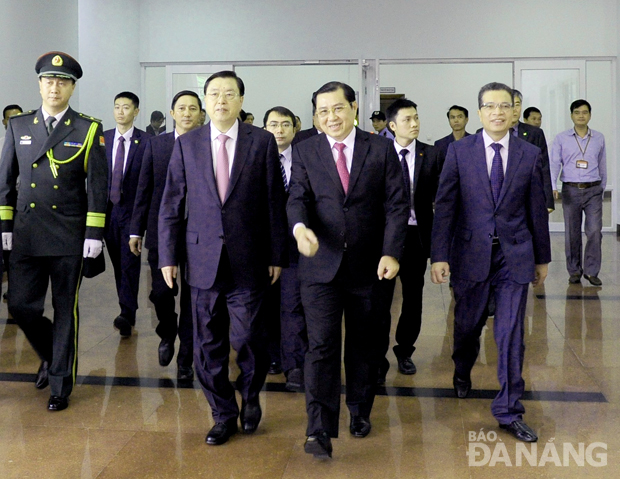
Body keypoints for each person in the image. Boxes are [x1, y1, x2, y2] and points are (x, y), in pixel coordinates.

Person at [158, 71, 288, 446]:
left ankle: (250, 395)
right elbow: (171, 204)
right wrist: (168, 256)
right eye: (213, 94)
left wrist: (277, 252)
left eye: (229, 94)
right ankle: (222, 413)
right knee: (206, 346)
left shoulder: (260, 141)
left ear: (241, 101)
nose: (221, 100)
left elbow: (272, 201)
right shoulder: (187, 143)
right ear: (205, 102)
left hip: (250, 259)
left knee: (249, 338)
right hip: (202, 261)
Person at [287, 81, 408, 458]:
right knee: (321, 345)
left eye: (337, 109)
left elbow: (396, 205)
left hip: (369, 266)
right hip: (319, 265)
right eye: (322, 111)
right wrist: (300, 228)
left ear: (354, 108)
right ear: (315, 117)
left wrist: (391, 252)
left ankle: (359, 409)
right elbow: (297, 198)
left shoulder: (381, 148)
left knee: (364, 345)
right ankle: (318, 430)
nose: (331, 117)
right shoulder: (305, 150)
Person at [430, 82, 551, 443]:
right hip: (470, 254)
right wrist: (439, 255)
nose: (498, 112)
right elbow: (446, 206)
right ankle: (462, 367)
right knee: (467, 327)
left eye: (505, 106)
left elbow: (537, 210)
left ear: (515, 112)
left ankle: (509, 409)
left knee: (511, 331)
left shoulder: (529, 154)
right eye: (490, 106)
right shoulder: (459, 152)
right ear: (480, 112)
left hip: (514, 254)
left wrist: (542, 257)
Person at [0, 51, 108, 411]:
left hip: (68, 234)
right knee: (21, 305)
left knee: (65, 308)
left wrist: (94, 235)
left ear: (72, 87)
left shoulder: (88, 128)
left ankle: (61, 383)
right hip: (27, 232)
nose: (54, 87)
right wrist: (4, 226)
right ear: (39, 84)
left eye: (62, 81)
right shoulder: (19, 126)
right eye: (48, 80)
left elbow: (98, 187)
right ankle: (50, 353)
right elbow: (5, 181)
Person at [129, 90, 203, 380]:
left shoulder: (207, 144)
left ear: (200, 114)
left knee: (193, 299)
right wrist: (136, 229)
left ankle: (186, 359)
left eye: (193, 109)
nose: (187, 113)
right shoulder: (156, 145)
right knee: (161, 293)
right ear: (172, 114)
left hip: (199, 234)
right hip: (163, 232)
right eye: (181, 108)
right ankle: (166, 332)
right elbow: (144, 189)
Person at [377, 99, 439, 383]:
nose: (414, 124)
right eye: (407, 120)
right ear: (392, 126)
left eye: (416, 118)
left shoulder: (432, 154)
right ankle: (378, 355)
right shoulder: (378, 153)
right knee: (380, 299)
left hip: (416, 235)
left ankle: (404, 350)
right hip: (385, 237)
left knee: (413, 297)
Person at [263, 106, 307, 391]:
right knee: (266, 306)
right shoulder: (254, 158)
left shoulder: (306, 157)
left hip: (294, 248)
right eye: (273, 125)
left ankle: (294, 364)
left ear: (294, 129)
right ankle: (272, 357)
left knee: (292, 306)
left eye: (285, 125)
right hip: (262, 246)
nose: (279, 130)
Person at [104, 92, 150, 337]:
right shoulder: (103, 138)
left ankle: (127, 312)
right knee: (118, 263)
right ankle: (126, 305)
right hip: (107, 212)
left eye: (126, 107)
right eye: (117, 107)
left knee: (130, 262)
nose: (121, 111)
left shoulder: (146, 141)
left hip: (132, 211)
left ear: (136, 112)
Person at [550, 99, 606, 286]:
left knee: (594, 231)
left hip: (593, 190)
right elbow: (554, 164)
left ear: (590, 115)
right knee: (572, 233)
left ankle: (591, 271)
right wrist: (552, 186)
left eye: (584, 112)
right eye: (577, 112)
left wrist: (601, 187)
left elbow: (602, 163)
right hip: (571, 190)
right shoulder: (561, 138)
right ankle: (574, 270)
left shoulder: (598, 137)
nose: (581, 115)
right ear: (571, 115)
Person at [510, 90, 554, 212]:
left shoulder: (535, 133)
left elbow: (544, 167)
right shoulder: (487, 133)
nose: (514, 109)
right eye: (510, 104)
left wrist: (548, 200)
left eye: (517, 104)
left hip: (528, 195)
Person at [434, 105, 471, 171]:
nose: (456, 120)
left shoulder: (474, 141)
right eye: (452, 117)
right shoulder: (440, 144)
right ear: (449, 120)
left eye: (460, 117)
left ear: (466, 119)